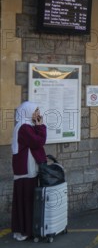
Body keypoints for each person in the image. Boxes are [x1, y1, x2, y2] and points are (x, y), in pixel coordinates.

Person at [11, 101, 47, 242]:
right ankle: (24, 230)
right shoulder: (24, 128)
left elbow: (37, 141)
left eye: (38, 110)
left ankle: (26, 228)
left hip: (26, 168)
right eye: (35, 111)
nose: (37, 114)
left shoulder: (25, 126)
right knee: (25, 200)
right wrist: (41, 126)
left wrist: (38, 126)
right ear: (27, 112)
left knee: (26, 199)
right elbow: (38, 142)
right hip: (25, 169)